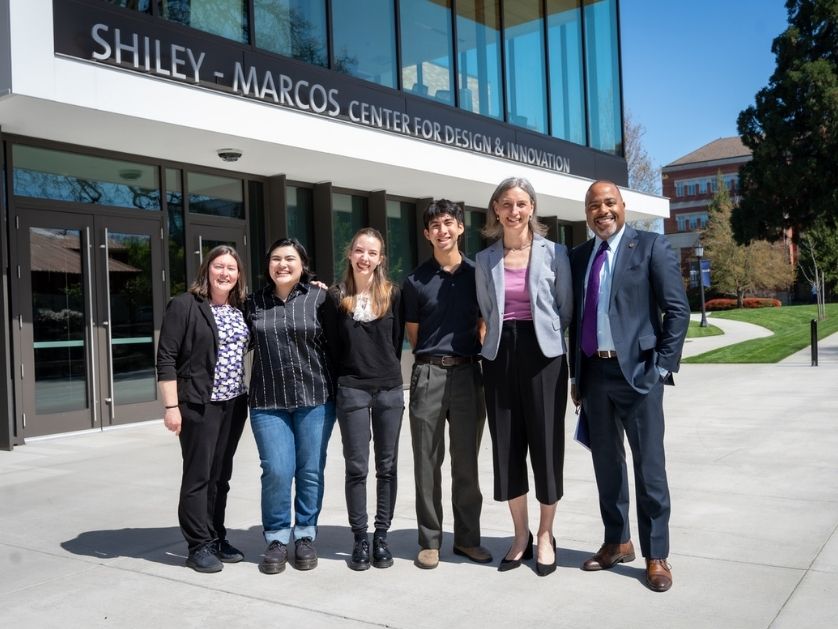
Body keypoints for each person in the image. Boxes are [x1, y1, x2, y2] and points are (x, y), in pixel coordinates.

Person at [568, 180, 689, 592]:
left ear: (623, 205)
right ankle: (617, 541)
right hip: (595, 376)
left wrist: (661, 368)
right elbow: (574, 321)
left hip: (639, 375)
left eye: (608, 203)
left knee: (649, 467)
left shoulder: (652, 247)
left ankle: (657, 554)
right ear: (586, 213)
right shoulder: (579, 256)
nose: (602, 211)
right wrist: (576, 376)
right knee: (607, 466)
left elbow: (677, 310)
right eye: (593, 205)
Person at [475, 177, 573, 576]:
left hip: (545, 354)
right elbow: (486, 309)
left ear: (532, 208)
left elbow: (564, 309)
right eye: (506, 204)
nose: (514, 211)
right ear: (496, 210)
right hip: (499, 355)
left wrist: (545, 338)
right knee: (507, 447)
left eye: (521, 203)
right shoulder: (484, 260)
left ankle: (546, 534)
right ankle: (520, 535)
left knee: (546, 445)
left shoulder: (556, 253)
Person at [402, 199, 492, 570]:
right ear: (427, 234)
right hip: (429, 373)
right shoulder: (414, 281)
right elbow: (413, 334)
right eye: (435, 225)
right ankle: (430, 541)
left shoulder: (479, 274)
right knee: (426, 461)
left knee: (466, 462)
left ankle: (468, 540)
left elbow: (486, 322)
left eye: (448, 223)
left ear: (460, 228)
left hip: (470, 374)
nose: (442, 230)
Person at [156, 245, 249, 573]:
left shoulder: (239, 308)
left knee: (221, 476)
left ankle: (215, 535)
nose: (225, 273)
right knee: (199, 475)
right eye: (219, 266)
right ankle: (197, 545)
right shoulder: (185, 305)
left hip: (234, 405)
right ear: (207, 270)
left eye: (232, 268)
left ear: (239, 276)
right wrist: (171, 406)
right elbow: (166, 357)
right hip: (199, 405)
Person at [245, 239, 336, 575]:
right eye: (275, 259)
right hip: (268, 403)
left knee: (310, 470)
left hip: (315, 399)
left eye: (289, 259)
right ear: (268, 265)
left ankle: (306, 535)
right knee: (278, 471)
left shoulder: (320, 298)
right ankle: (277, 538)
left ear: (302, 264)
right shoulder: (252, 302)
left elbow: (339, 343)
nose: (282, 265)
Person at [322, 228, 405, 571]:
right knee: (356, 468)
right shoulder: (334, 296)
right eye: (359, 250)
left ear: (380, 259)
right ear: (350, 254)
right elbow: (330, 344)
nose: (365, 258)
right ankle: (359, 538)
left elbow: (396, 343)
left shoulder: (393, 295)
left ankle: (381, 537)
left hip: (388, 388)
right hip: (352, 388)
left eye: (372, 253)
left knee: (387, 467)